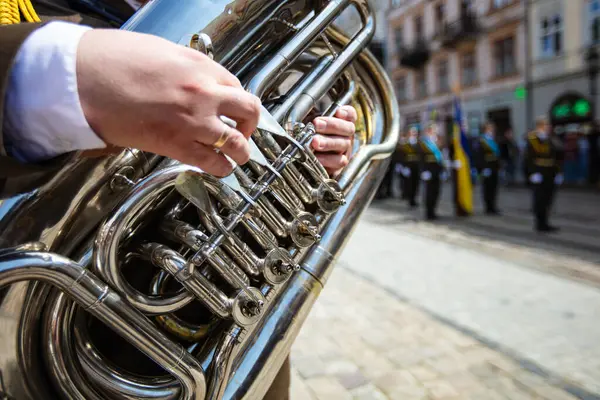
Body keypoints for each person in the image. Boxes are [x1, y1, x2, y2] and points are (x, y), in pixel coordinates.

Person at [1, 8, 357, 400]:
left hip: (229, 334)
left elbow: (252, 125)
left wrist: (302, 150)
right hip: (85, 339)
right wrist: (58, 77)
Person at [525, 117, 563, 233]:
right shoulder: (532, 139)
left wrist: (558, 173)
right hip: (539, 172)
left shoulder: (550, 139)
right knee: (539, 199)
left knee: (549, 198)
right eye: (546, 125)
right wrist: (532, 173)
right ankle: (539, 223)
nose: (548, 127)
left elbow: (556, 158)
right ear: (540, 126)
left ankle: (546, 222)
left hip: (550, 172)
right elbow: (528, 158)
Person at [419, 123, 444, 220]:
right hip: (428, 171)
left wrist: (443, 170)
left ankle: (434, 210)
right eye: (431, 130)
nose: (433, 132)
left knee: (436, 192)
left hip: (437, 171)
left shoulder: (437, 142)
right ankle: (428, 213)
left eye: (434, 130)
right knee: (429, 192)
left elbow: (440, 158)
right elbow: (421, 158)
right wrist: (423, 171)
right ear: (427, 131)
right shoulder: (423, 143)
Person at [476, 122, 501, 215]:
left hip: (494, 168)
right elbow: (479, 156)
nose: (492, 130)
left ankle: (493, 206)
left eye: (492, 129)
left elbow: (497, 155)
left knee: (494, 188)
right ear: (486, 129)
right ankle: (488, 207)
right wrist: (483, 168)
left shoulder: (493, 140)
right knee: (487, 189)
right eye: (490, 128)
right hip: (487, 168)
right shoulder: (482, 141)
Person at [398, 126, 420, 207]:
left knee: (416, 184)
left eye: (415, 132)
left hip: (416, 166)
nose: (414, 134)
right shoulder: (405, 144)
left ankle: (414, 199)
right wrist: (403, 167)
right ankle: (410, 199)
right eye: (412, 132)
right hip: (408, 166)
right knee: (408, 184)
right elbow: (401, 156)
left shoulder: (418, 143)